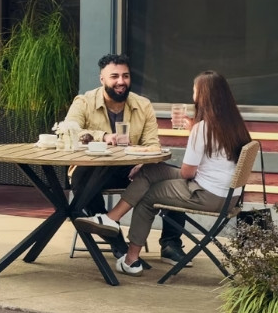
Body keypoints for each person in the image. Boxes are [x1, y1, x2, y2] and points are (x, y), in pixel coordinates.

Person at [76, 71, 250, 276]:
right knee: (151, 169)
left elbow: (187, 172)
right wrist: (194, 131)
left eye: (194, 91)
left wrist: (193, 134)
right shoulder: (235, 125)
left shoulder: (202, 129)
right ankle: (111, 218)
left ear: (203, 95)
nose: (193, 95)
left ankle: (131, 260)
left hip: (207, 194)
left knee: (147, 197)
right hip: (228, 196)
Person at [62, 54, 192, 268]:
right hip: (93, 168)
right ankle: (119, 245)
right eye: (114, 76)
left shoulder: (143, 105)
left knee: (172, 178)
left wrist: (143, 164)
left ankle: (171, 245)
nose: (121, 81)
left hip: (131, 169)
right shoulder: (84, 102)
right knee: (82, 181)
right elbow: (68, 131)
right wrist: (103, 136)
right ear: (102, 79)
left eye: (125, 76)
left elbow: (152, 144)